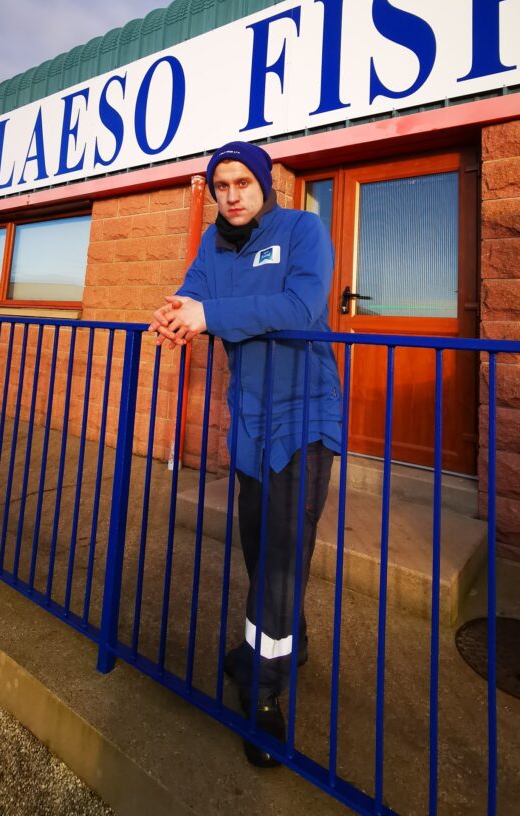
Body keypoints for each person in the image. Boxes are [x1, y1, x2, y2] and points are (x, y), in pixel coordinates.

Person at [149, 140, 342, 767]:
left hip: (303, 416)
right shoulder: (214, 242)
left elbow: (301, 306)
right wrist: (176, 314)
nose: (231, 194)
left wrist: (208, 315)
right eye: (221, 185)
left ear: (264, 185)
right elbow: (193, 294)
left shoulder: (301, 229)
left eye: (242, 182)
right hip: (251, 419)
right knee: (260, 544)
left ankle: (264, 692)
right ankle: (290, 640)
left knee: (282, 557)